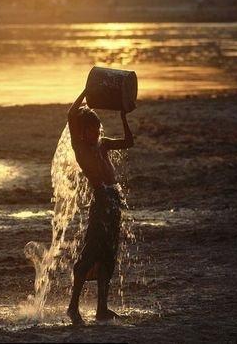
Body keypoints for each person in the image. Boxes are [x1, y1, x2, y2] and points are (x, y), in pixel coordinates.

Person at [66, 87, 134, 324]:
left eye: (96, 128)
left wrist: (123, 115)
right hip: (100, 201)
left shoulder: (103, 144)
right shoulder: (80, 148)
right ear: (82, 132)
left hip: (114, 201)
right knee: (90, 253)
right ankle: (73, 307)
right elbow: (70, 114)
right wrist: (87, 90)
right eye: (89, 130)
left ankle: (102, 308)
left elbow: (129, 142)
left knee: (108, 255)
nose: (94, 132)